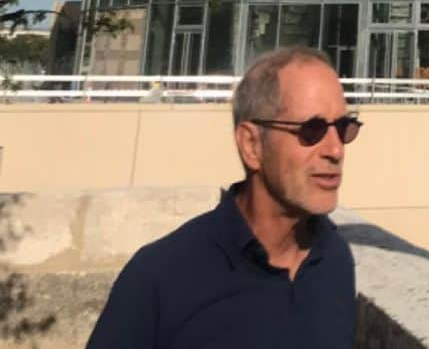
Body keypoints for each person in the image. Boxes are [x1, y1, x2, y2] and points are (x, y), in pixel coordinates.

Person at [88, 46, 359, 348]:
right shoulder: (160, 278)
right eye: (313, 129)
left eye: (344, 127)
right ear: (252, 144)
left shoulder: (335, 260)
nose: (336, 150)